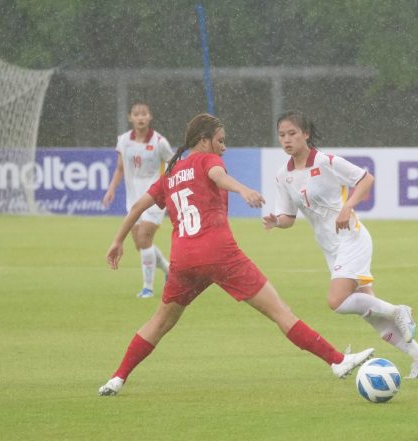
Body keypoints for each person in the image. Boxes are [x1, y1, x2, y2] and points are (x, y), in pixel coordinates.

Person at [98, 113, 374, 396]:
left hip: (183, 260)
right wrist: (242, 189)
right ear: (204, 141)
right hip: (220, 255)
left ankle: (117, 378)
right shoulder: (208, 160)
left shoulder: (169, 175)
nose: (224, 147)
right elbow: (218, 176)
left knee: (160, 322)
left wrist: (117, 241)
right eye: (220, 141)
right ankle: (338, 361)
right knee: (280, 312)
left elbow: (136, 208)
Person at [262, 110, 418, 380]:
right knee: (373, 316)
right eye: (282, 135)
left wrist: (348, 207)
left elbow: (366, 179)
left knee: (337, 301)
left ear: (306, 134)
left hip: (352, 239)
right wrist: (276, 221)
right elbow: (289, 218)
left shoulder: (326, 161)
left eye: (292, 133)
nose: (287, 140)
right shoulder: (282, 176)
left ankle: (399, 310)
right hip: (331, 248)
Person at [102, 101, 174, 298]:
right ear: (130, 118)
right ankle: (169, 269)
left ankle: (148, 288)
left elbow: (174, 164)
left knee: (144, 238)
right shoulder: (124, 140)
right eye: (136, 114)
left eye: (144, 114)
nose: (140, 117)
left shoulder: (159, 142)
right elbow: (120, 167)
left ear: (150, 117)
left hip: (155, 198)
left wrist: (169, 187)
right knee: (141, 244)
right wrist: (111, 189)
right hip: (133, 199)